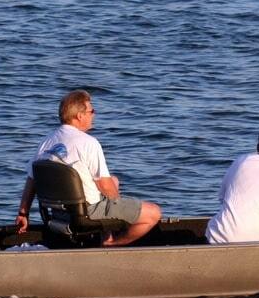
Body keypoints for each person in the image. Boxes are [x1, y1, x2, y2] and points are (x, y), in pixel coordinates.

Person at [15, 90, 161, 246]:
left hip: (58, 215)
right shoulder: (88, 143)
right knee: (153, 213)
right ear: (79, 115)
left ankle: (105, 236)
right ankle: (111, 244)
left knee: (114, 180)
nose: (94, 115)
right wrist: (120, 211)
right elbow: (105, 187)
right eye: (92, 111)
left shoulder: (46, 142)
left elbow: (31, 181)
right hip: (87, 213)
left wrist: (23, 213)